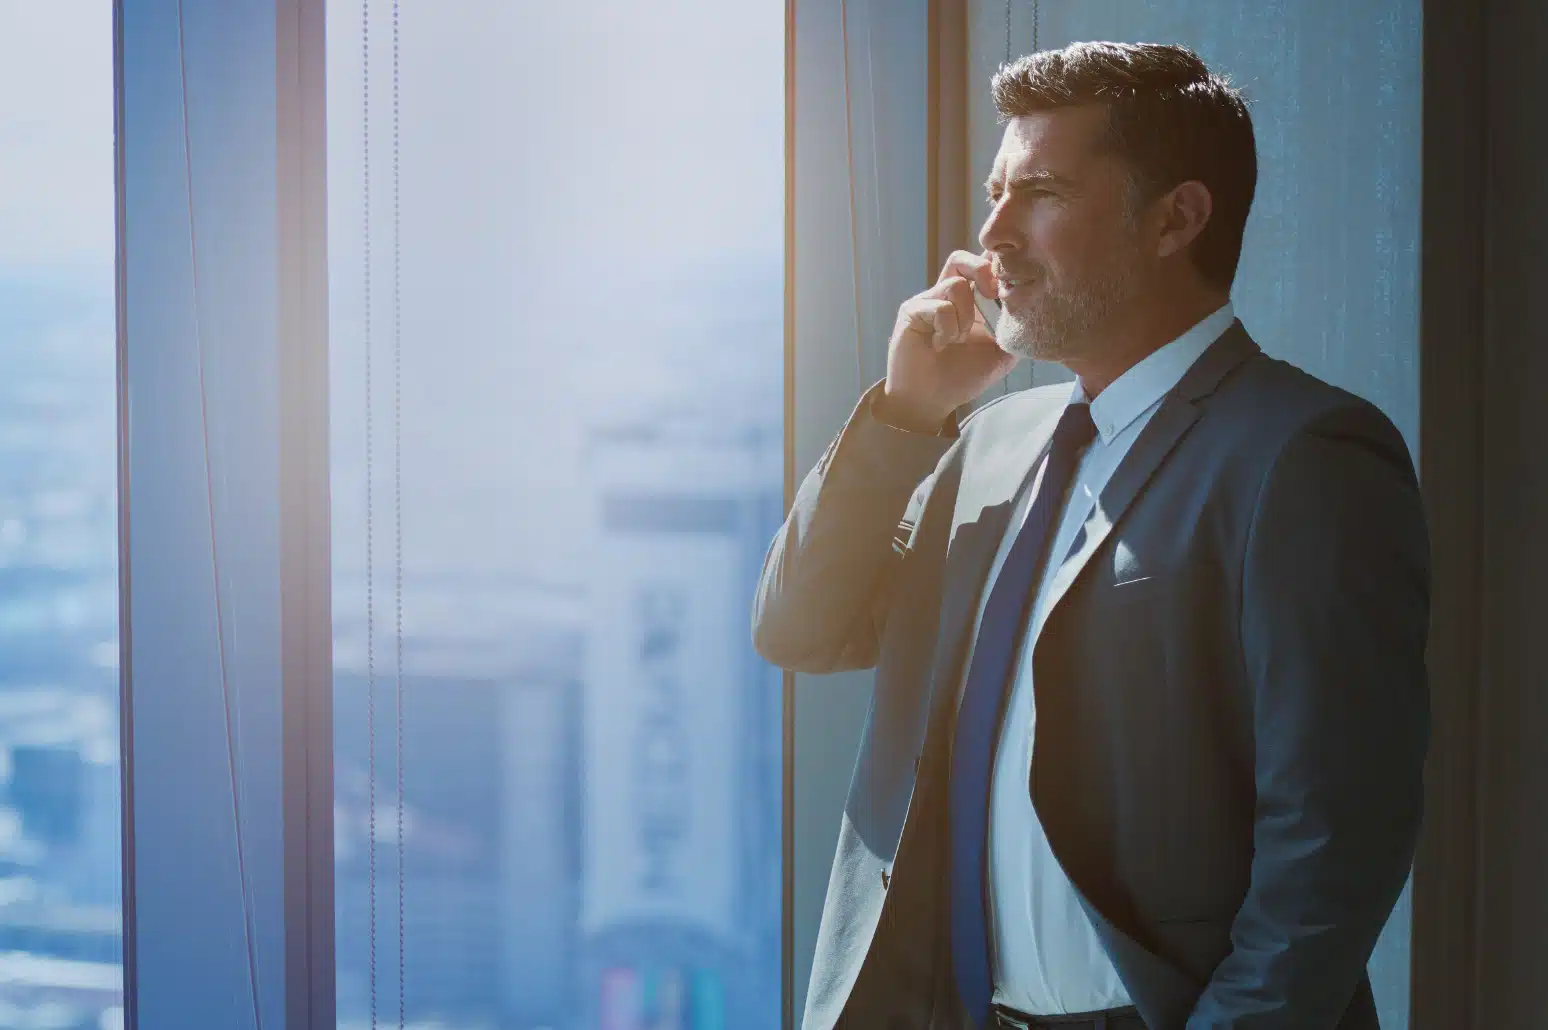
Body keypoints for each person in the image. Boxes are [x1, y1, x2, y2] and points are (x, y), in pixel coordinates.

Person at [753, 41, 1429, 1030]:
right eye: (994, 193)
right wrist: (904, 415)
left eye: (1041, 194)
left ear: (1175, 218)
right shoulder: (990, 446)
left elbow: (1332, 845)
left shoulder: (1305, 454)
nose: (993, 237)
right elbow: (801, 629)